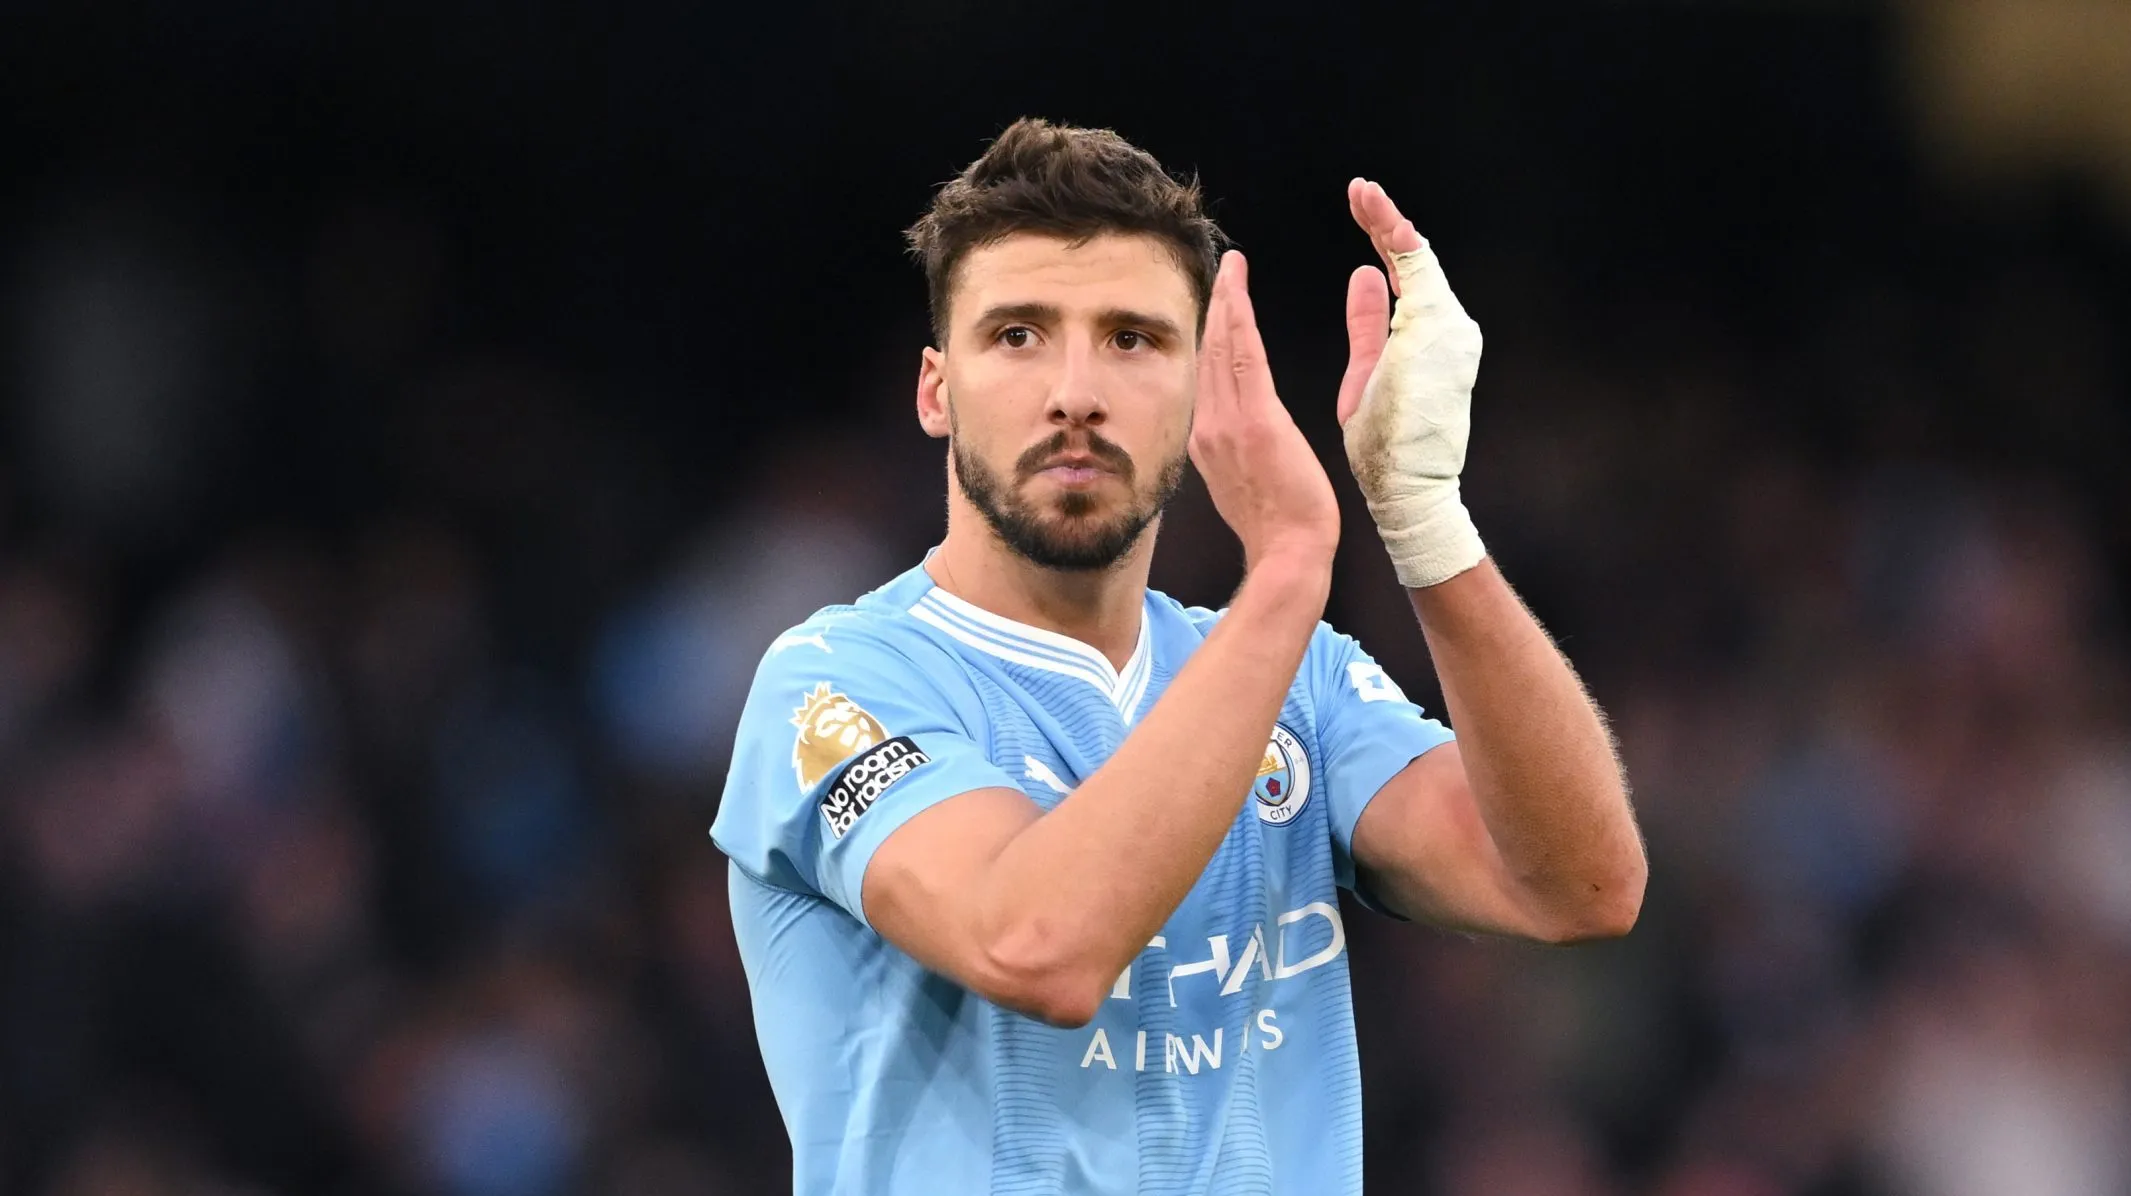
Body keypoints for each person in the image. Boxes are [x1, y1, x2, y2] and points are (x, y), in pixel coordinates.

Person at [710, 117, 1647, 1196]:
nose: (1074, 391)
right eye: (1016, 334)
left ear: (1202, 384)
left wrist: (1423, 518)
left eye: (1132, 338)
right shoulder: (835, 684)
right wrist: (1292, 562)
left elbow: (1579, 883)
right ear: (936, 389)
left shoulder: (1291, 676)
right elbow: (1037, 943)